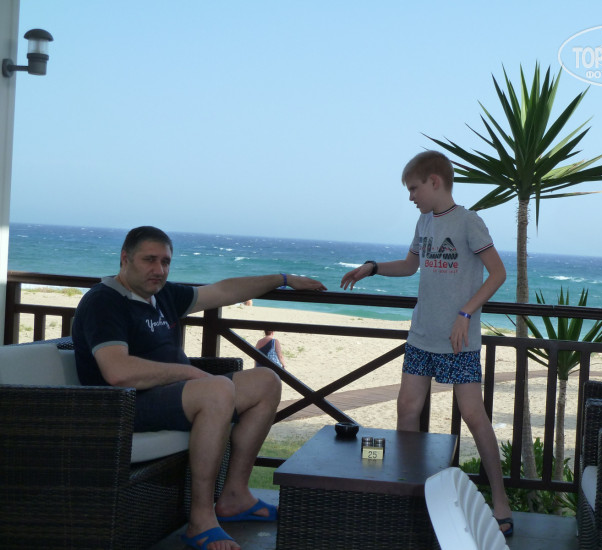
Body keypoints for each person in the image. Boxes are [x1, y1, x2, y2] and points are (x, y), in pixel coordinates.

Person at [72, 226, 327, 550]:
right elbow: (118, 372)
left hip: (173, 397)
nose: (159, 269)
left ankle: (234, 496)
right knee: (216, 390)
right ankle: (200, 520)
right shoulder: (104, 301)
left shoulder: (162, 295)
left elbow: (223, 291)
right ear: (125, 258)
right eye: (150, 260)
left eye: (166, 261)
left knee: (266, 381)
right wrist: (189, 372)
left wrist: (284, 278)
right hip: (123, 406)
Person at [340, 151, 513, 536]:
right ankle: (412, 492)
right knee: (407, 409)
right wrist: (372, 267)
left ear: (435, 181)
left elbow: (498, 273)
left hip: (458, 342)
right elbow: (410, 265)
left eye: (414, 188)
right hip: (421, 336)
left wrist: (466, 313)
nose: (411, 196)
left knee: (474, 417)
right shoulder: (423, 222)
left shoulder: (469, 221)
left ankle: (501, 500)